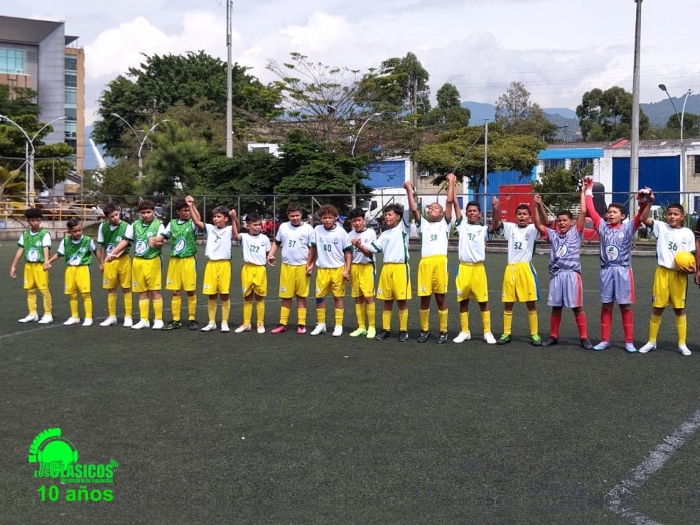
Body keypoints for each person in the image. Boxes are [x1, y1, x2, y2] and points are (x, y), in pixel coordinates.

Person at [584, 178, 651, 352]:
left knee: (625, 306)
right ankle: (605, 340)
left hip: (622, 271)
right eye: (609, 212)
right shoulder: (602, 227)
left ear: (622, 216)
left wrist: (645, 199)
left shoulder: (628, 228)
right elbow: (590, 210)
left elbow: (640, 214)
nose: (610, 214)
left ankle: (629, 341)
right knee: (606, 305)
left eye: (614, 212)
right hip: (606, 271)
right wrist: (588, 190)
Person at [532, 188, 593, 349]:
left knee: (577, 308)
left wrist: (583, 192)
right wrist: (536, 206)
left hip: (572, 275)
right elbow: (538, 224)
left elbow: (583, 211)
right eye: (559, 220)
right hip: (557, 275)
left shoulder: (576, 233)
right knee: (556, 307)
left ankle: (584, 338)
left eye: (565, 220)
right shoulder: (553, 235)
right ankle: (553, 336)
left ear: (571, 222)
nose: (561, 223)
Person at [446, 173, 498, 344]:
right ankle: (464, 331)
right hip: (463, 268)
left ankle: (487, 332)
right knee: (463, 301)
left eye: (475, 211)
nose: (472, 213)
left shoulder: (483, 230)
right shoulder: (461, 225)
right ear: (466, 213)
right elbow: (453, 202)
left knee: (483, 301)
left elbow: (495, 225)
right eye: (469, 211)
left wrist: (496, 209)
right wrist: (452, 182)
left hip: (478, 269)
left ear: (479, 213)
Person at [639, 198, 695, 355]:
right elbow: (643, 218)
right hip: (662, 273)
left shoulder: (687, 233)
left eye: (676, 214)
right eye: (669, 214)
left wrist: (691, 268)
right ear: (666, 216)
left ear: (682, 217)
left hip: (679, 275)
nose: (672, 216)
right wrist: (649, 202)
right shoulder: (661, 227)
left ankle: (682, 344)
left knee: (680, 309)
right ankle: (651, 341)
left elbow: (691, 256)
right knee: (657, 308)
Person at [362, 187, 413, 342]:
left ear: (398, 217)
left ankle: (403, 331)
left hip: (400, 268)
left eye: (389, 214)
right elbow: (374, 248)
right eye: (385, 214)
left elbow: (409, 208)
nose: (386, 217)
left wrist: (408, 190)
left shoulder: (403, 227)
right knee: (387, 300)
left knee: (401, 301)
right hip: (386, 269)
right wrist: (359, 244)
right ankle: (386, 329)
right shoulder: (384, 234)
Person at [107, 199, 165, 330]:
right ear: (139, 213)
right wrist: (113, 253)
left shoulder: (159, 225)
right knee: (141, 292)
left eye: (149, 212)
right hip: (138, 261)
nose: (146, 215)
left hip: (152, 261)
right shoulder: (134, 225)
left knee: (155, 291)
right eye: (143, 212)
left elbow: (163, 242)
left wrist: (155, 242)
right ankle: (144, 320)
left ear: (153, 212)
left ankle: (158, 319)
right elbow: (126, 240)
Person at [492, 199, 543, 346]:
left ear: (530, 217)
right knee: (508, 304)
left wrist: (538, 206)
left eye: (525, 214)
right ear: (515, 217)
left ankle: (534, 334)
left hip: (526, 269)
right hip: (511, 269)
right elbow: (495, 225)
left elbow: (545, 224)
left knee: (531, 304)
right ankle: (506, 333)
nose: (522, 216)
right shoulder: (509, 227)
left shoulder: (533, 229)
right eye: (519, 214)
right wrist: (496, 208)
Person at [407, 180, 451, 344]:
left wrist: (452, 181)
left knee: (440, 297)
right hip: (425, 264)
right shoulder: (423, 224)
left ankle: (443, 330)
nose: (432, 209)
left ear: (441, 213)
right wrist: (409, 190)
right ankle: (424, 330)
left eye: (436, 208)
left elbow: (450, 201)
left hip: (440, 262)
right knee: (424, 298)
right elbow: (413, 208)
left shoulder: (445, 224)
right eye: (430, 207)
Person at [155, 197, 203, 330]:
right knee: (176, 292)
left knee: (190, 291)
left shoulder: (193, 223)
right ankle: (176, 320)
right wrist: (154, 240)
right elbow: (163, 236)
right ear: (178, 212)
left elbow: (197, 218)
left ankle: (192, 318)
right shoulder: (172, 223)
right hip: (175, 261)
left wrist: (192, 205)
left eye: (188, 210)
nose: (187, 212)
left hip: (189, 260)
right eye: (184, 210)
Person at [267, 203, 315, 334]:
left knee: (301, 296)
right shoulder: (283, 227)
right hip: (286, 266)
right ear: (288, 215)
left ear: (301, 214)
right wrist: (270, 254)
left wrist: (310, 264)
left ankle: (301, 324)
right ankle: (282, 323)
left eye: (297, 215)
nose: (295, 218)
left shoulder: (309, 229)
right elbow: (277, 243)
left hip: (302, 267)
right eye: (292, 215)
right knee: (286, 296)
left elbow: (312, 249)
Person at [306, 204, 352, 336]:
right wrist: (310, 264)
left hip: (338, 269)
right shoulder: (317, 230)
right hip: (322, 270)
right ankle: (321, 324)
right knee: (319, 297)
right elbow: (313, 249)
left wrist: (347, 270)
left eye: (330, 217)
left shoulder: (341, 232)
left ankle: (338, 325)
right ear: (320, 219)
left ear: (335, 218)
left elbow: (348, 252)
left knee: (338, 297)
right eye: (324, 217)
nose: (327, 220)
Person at [46, 219, 96, 326]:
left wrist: (102, 263)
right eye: (75, 231)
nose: (78, 233)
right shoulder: (65, 241)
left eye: (80, 230)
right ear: (69, 231)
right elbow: (59, 254)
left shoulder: (88, 240)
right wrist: (49, 261)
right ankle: (74, 316)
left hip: (83, 268)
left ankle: (88, 317)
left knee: (85, 294)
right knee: (72, 294)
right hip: (70, 269)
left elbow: (96, 251)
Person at [10, 207, 53, 324]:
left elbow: (45, 249)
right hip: (29, 266)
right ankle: (32, 313)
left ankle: (48, 314)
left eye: (38, 220)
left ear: (41, 220)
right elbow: (20, 250)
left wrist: (46, 262)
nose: (35, 223)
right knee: (30, 290)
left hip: (40, 266)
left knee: (44, 290)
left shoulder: (44, 234)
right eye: (33, 220)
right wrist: (14, 266)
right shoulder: (25, 235)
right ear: (28, 221)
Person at [231, 211, 271, 333]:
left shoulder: (264, 238)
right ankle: (246, 323)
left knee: (259, 297)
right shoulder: (244, 237)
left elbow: (268, 254)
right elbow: (235, 236)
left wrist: (271, 258)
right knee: (247, 297)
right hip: (247, 269)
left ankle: (260, 323)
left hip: (260, 269)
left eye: (259, 224)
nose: (258, 227)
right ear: (248, 226)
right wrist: (233, 219)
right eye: (255, 224)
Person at [200, 205, 237, 333]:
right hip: (211, 264)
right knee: (211, 294)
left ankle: (224, 322)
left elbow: (236, 230)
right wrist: (191, 205)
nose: (215, 219)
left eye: (218, 216)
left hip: (224, 264)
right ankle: (211, 322)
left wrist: (234, 218)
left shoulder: (229, 229)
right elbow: (196, 221)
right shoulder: (210, 229)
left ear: (225, 218)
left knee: (224, 294)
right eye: (214, 216)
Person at [96, 203, 133, 327]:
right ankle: (112, 317)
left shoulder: (127, 226)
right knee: (111, 289)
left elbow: (126, 243)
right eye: (112, 217)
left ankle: (128, 316)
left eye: (117, 214)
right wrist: (101, 262)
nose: (116, 218)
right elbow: (102, 245)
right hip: (109, 261)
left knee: (126, 288)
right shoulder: (103, 227)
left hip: (123, 260)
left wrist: (114, 254)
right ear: (107, 218)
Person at [347, 207, 378, 339]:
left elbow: (370, 254)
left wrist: (359, 245)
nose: (357, 223)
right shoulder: (349, 235)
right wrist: (347, 270)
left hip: (367, 268)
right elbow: (347, 254)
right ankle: (361, 326)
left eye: (359, 220)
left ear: (364, 220)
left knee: (368, 297)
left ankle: (371, 327)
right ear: (351, 222)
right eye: (354, 221)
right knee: (357, 297)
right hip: (355, 268)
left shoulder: (370, 233)